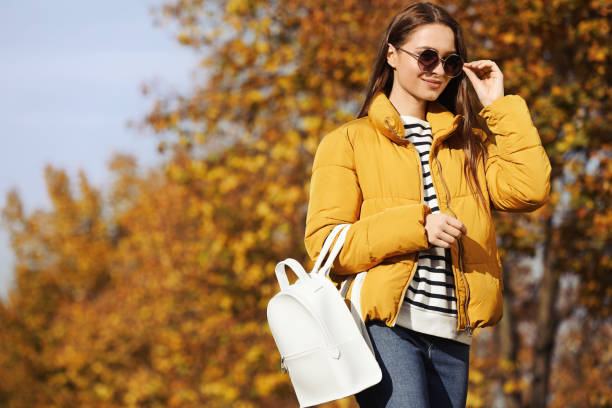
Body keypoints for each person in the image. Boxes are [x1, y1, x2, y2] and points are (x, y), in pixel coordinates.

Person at [303, 1, 551, 407]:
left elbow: (530, 189)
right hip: (387, 327)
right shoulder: (348, 141)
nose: (438, 69)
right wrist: (419, 226)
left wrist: (497, 105)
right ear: (392, 54)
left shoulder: (468, 146)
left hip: (453, 334)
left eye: (450, 62)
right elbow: (326, 244)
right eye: (427, 56)